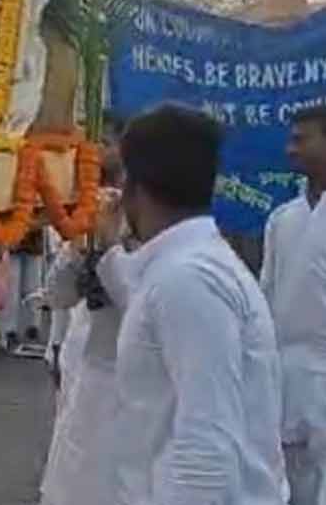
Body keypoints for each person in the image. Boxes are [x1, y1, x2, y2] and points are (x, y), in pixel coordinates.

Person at [98, 103, 285, 504]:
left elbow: (206, 442)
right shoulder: (181, 267)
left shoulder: (189, 278)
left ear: (134, 183)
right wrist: (108, 248)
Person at [40, 146, 130, 505]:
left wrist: (112, 248)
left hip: (132, 391)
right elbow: (57, 294)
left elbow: (140, 304)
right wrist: (80, 247)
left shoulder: (162, 249)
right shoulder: (90, 230)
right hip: (85, 373)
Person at [261, 105, 326, 504]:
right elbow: (266, 299)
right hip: (284, 376)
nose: (290, 150)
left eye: (301, 140)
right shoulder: (282, 219)